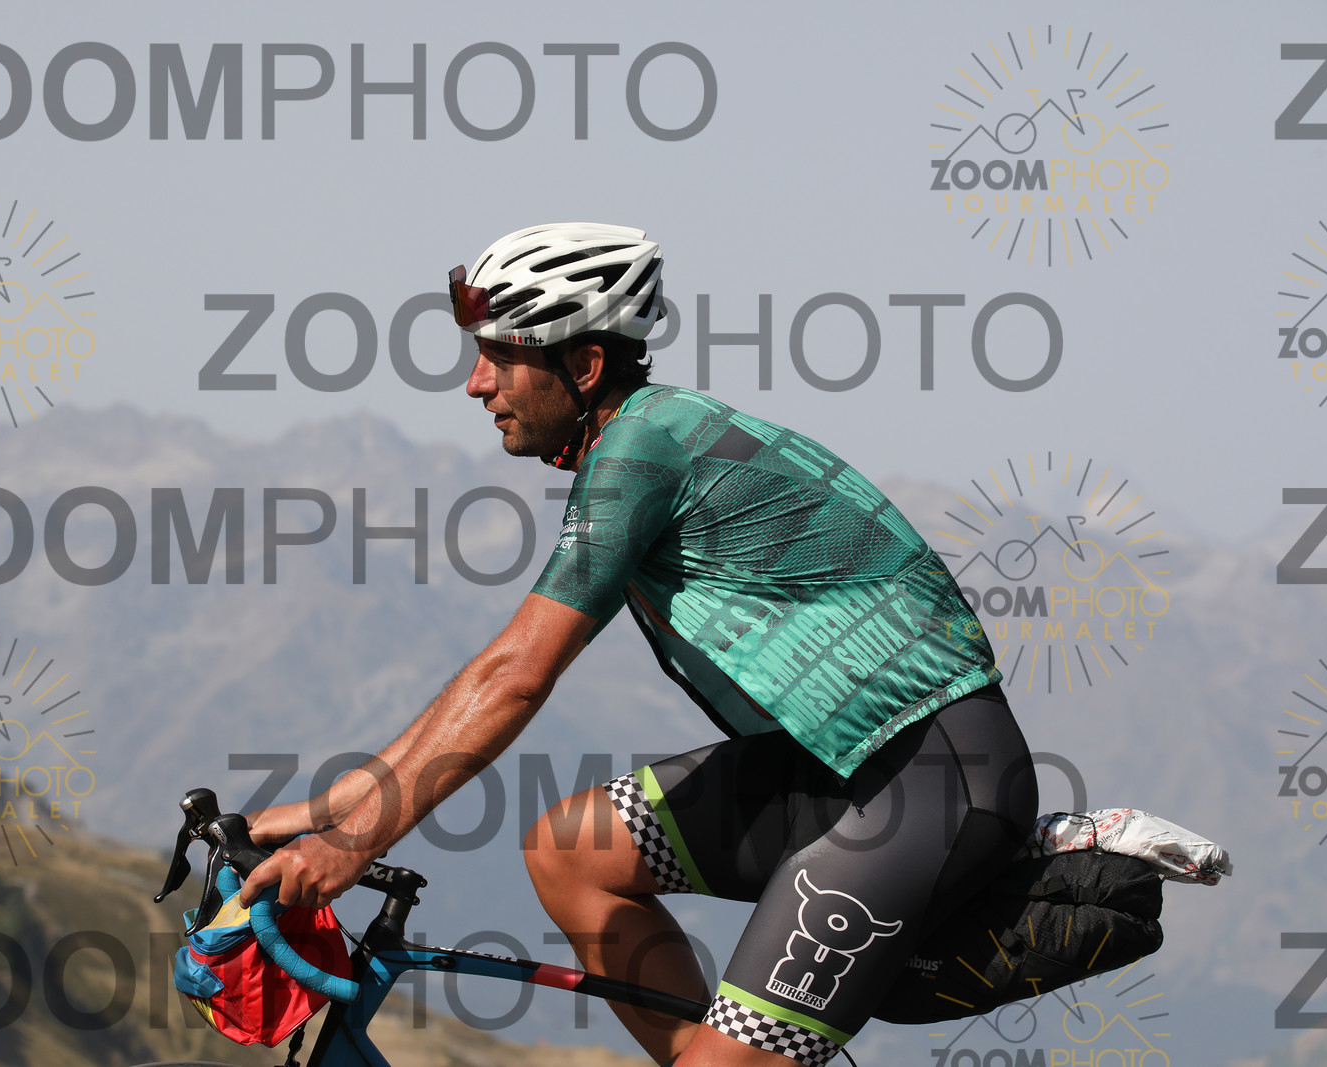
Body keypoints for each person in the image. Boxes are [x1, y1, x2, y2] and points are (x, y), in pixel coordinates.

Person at [242, 223, 1039, 1066]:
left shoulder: (642, 449)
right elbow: (495, 675)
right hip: (836, 771)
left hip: (929, 782)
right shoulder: (640, 440)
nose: (475, 383)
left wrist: (355, 841)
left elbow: (516, 674)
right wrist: (341, 805)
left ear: (585, 365)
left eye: (500, 357)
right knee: (571, 851)